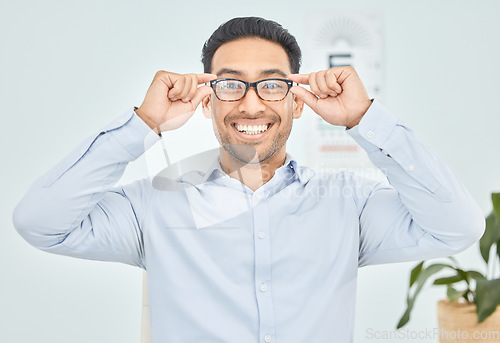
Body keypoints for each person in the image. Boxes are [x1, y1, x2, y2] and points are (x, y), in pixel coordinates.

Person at [13, 16, 484, 343]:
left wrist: (363, 117)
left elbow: (457, 227)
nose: (252, 104)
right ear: (207, 100)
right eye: (231, 84)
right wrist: (142, 126)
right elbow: (39, 222)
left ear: (297, 102)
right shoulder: (153, 205)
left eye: (273, 84)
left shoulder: (349, 205)